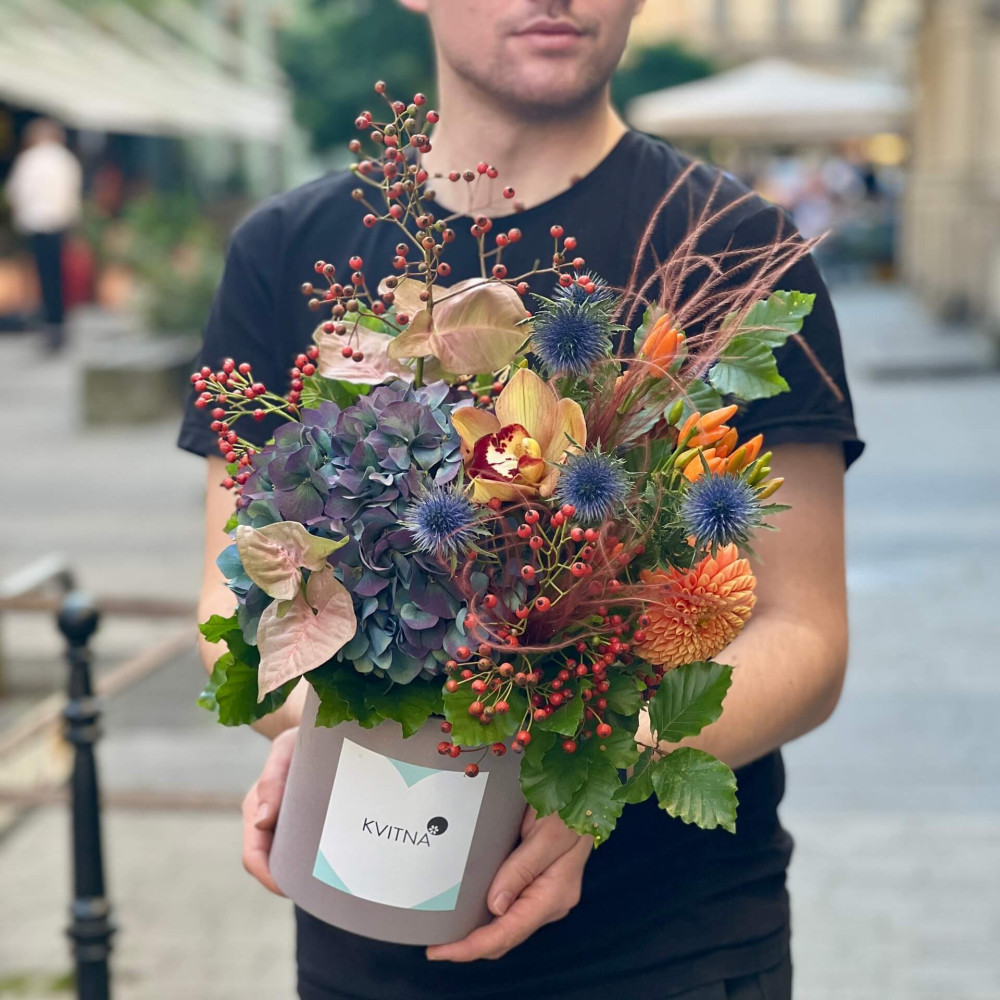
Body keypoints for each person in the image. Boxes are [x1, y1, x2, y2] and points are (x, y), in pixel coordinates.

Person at [179, 2, 863, 997]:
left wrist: (595, 772)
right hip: (370, 944)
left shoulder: (732, 246)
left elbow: (805, 634)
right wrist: (316, 724)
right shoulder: (287, 251)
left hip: (671, 947)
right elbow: (228, 601)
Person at [3, 118, 82, 348]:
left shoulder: (29, 159)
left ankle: (48, 320)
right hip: (58, 224)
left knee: (41, 274)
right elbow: (72, 193)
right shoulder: (65, 159)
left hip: (35, 224)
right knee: (56, 274)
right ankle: (57, 320)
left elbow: (14, 192)